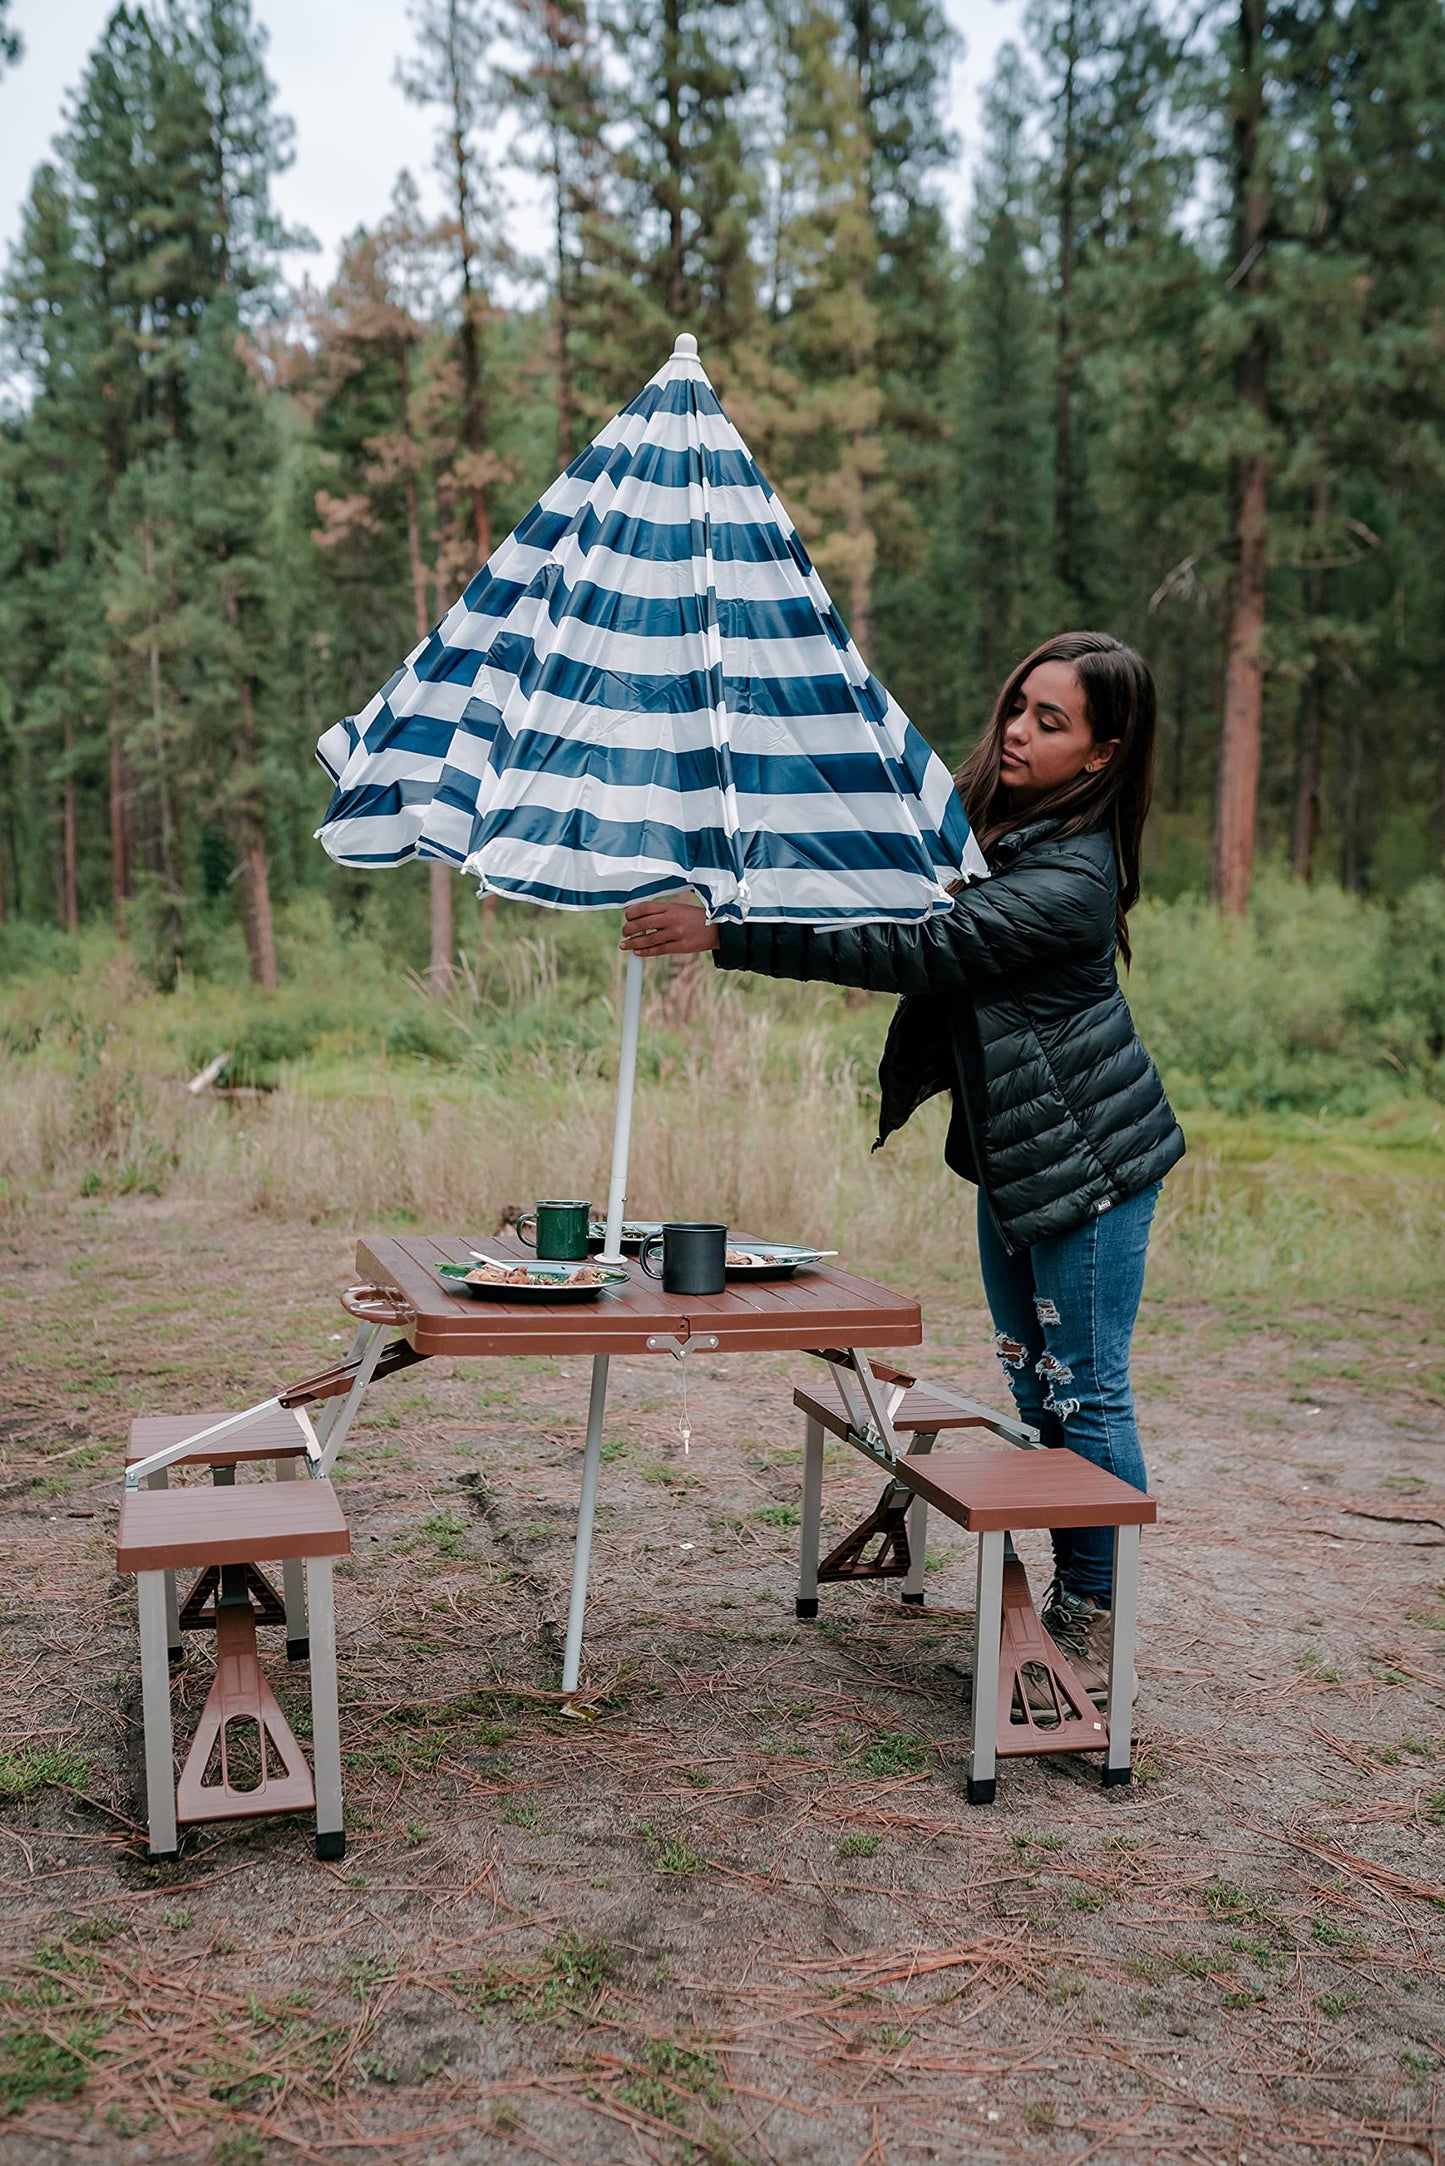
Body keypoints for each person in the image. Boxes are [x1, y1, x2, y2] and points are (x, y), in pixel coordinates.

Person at [620, 630, 1185, 1700]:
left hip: (1093, 1169)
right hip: (1019, 1162)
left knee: (1087, 1390)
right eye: (1017, 705)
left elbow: (914, 946)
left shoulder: (1067, 878)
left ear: (1102, 753)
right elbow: (861, 814)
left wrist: (724, 931)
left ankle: (1092, 1613)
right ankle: (1069, 1588)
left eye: (1049, 721)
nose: (1017, 730)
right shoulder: (990, 819)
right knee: (1031, 1380)